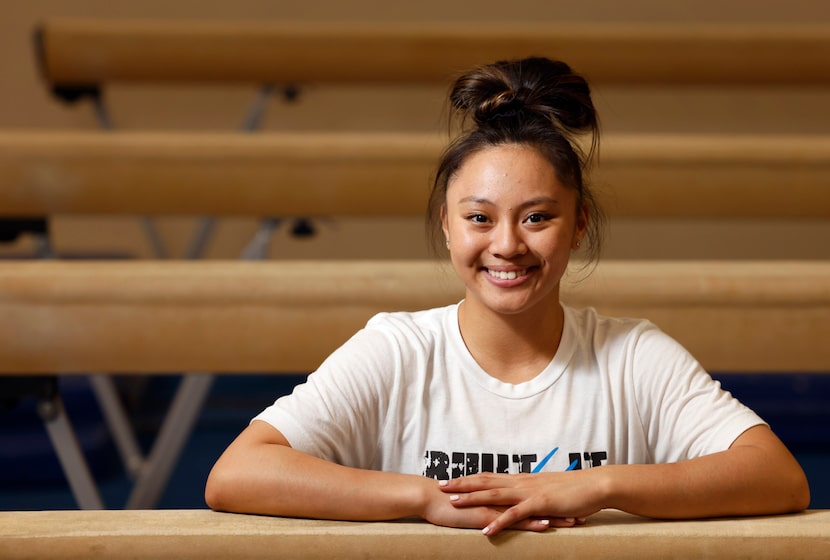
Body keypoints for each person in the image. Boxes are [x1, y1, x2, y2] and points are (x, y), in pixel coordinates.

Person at [205, 57, 810, 536]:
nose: (507, 245)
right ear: (447, 225)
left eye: (538, 217)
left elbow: (777, 476)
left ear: (579, 224)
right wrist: (423, 498)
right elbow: (237, 472)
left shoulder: (631, 355)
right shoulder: (399, 350)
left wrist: (598, 485)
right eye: (479, 217)